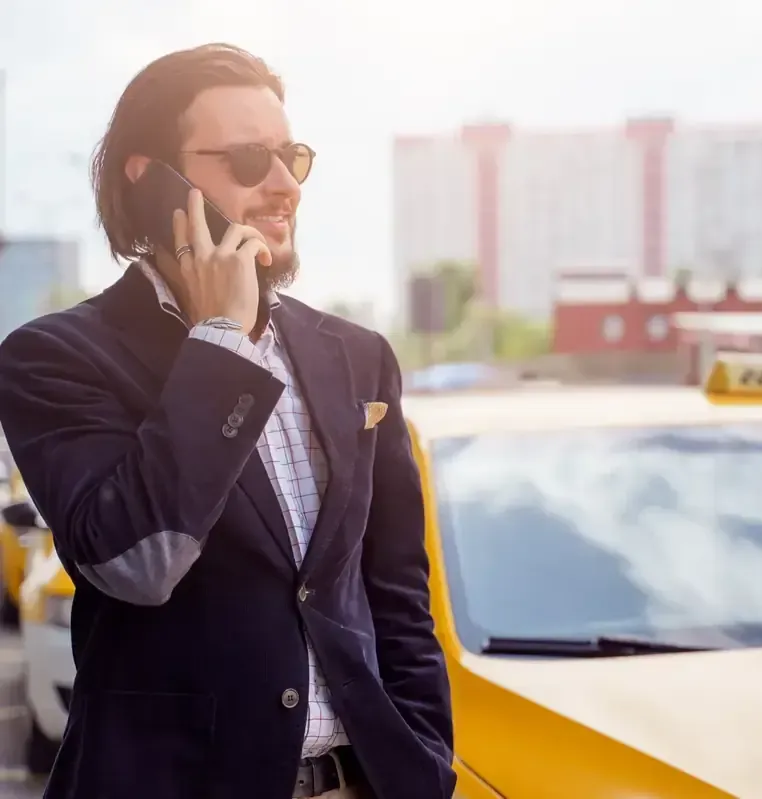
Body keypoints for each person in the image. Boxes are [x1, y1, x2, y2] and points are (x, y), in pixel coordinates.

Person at [0, 44, 455, 799]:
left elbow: (396, 593)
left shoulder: (358, 356)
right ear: (152, 182)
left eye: (291, 156)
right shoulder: (54, 357)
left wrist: (425, 759)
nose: (283, 185)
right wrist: (219, 343)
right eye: (248, 159)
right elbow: (138, 563)